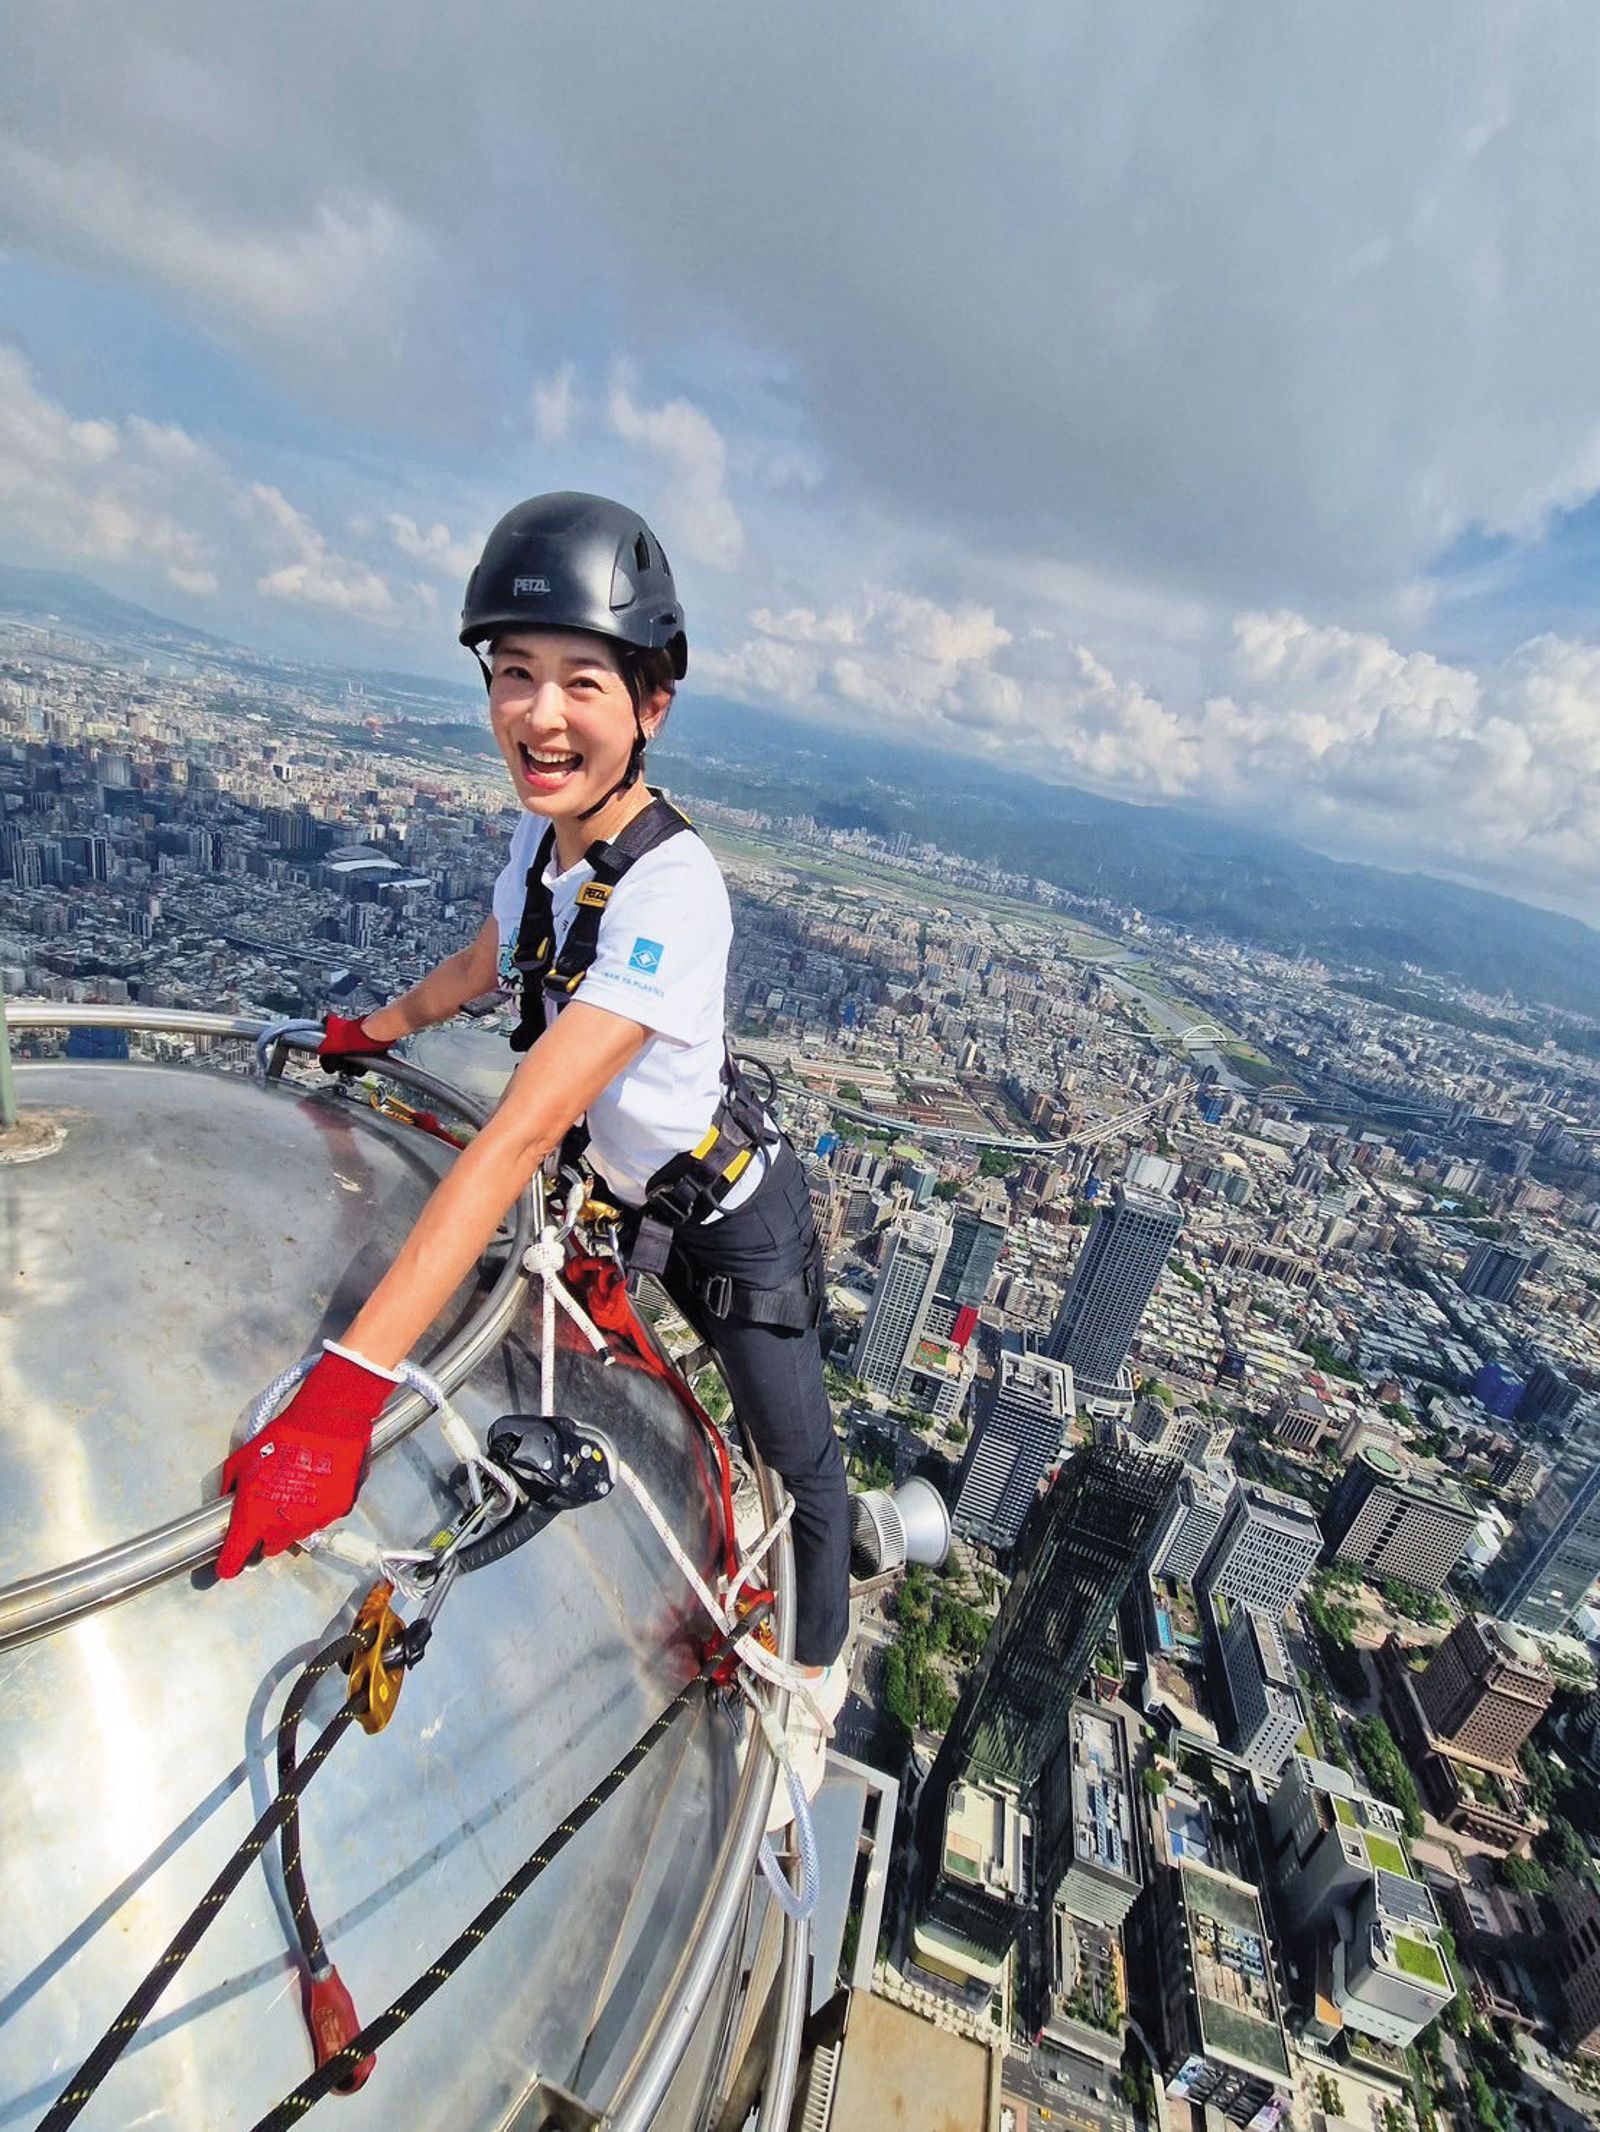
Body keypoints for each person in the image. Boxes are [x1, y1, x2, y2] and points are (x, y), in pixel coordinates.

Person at [216, 493, 851, 1754]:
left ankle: (813, 1682)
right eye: (513, 674)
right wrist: (377, 1031)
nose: (538, 714)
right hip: (619, 1201)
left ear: (651, 704)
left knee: (806, 1466)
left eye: (580, 681)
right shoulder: (545, 838)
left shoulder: (674, 888)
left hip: (728, 1225)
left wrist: (344, 1395)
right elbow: (494, 957)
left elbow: (519, 1129)